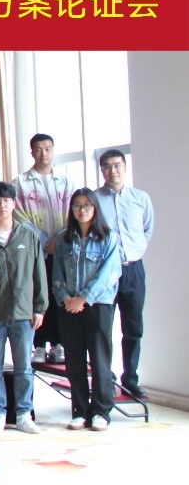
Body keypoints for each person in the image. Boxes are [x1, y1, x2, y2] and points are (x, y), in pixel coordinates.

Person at [0, 182, 48, 435]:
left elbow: (39, 273)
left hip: (24, 313)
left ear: (14, 204)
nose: (2, 206)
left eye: (6, 201)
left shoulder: (28, 236)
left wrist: (40, 307)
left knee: (24, 367)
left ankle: (24, 413)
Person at [54, 188, 122, 431]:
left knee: (100, 358)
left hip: (98, 304)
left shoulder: (108, 238)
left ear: (95, 208)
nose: (81, 210)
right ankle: (80, 411)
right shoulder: (63, 239)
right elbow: (57, 273)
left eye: (86, 205)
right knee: (74, 360)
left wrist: (84, 298)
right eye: (77, 205)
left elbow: (109, 274)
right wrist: (66, 297)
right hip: (69, 306)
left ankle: (101, 411)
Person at [94, 150, 155, 398]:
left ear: (125, 167)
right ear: (102, 170)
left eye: (117, 165)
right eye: (107, 167)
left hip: (133, 270)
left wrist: (134, 252)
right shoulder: (94, 199)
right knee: (102, 328)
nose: (113, 171)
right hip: (105, 272)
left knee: (133, 327)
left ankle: (131, 378)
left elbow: (147, 230)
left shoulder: (140, 198)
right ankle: (105, 379)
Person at [12, 133, 73, 364]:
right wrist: (43, 239)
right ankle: (38, 345)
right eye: (38, 149)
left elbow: (73, 212)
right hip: (35, 249)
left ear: (53, 150)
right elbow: (18, 215)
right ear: (32, 152)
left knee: (59, 297)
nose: (43, 154)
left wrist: (58, 239)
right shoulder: (20, 182)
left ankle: (59, 344)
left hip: (62, 250)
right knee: (37, 295)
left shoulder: (65, 181)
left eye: (47, 149)